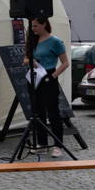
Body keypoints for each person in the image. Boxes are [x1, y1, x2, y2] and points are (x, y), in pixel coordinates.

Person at [25, 16, 70, 156]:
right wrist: (29, 61)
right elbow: (26, 57)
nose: (33, 29)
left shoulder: (55, 42)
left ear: (44, 24)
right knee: (37, 112)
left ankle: (58, 145)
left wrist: (53, 76)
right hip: (35, 76)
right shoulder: (33, 40)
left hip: (49, 75)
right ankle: (42, 143)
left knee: (53, 111)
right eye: (32, 26)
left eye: (35, 26)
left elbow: (65, 63)